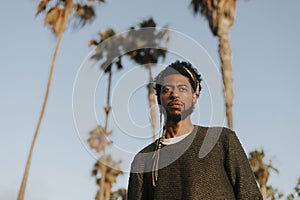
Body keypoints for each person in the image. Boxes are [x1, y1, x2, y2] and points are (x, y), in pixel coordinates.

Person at [127, 61, 262, 200]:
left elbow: (250, 195)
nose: (174, 94)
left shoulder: (222, 140)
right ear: (160, 99)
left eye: (182, 88)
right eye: (167, 89)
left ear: (194, 96)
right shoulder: (144, 159)